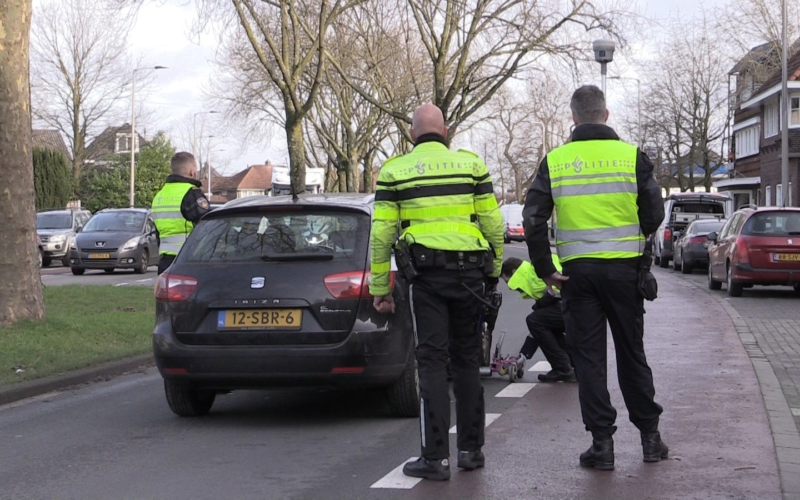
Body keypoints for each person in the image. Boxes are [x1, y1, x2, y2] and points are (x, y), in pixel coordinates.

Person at [522, 85, 667, 471]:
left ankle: (602, 445)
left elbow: (533, 218)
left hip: (577, 276)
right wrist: (634, 233)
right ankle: (650, 438)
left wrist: (544, 268)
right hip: (624, 271)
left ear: (573, 118)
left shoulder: (555, 161)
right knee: (631, 353)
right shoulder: (632, 157)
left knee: (588, 359)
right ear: (606, 114)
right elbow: (654, 212)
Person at [370, 103, 504, 481]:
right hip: (471, 275)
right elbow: (493, 223)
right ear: (445, 132)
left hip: (426, 277)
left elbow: (381, 234)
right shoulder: (472, 165)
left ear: (412, 135)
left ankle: (435, 459)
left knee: (431, 361)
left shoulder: (395, 171)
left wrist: (381, 288)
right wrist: (492, 273)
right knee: (466, 360)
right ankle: (472, 450)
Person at [500, 256, 575, 383]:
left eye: (508, 281)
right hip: (572, 305)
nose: (509, 287)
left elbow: (558, 288)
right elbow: (536, 333)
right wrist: (523, 355)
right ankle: (574, 366)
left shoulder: (536, 271)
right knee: (544, 324)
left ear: (514, 272)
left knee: (534, 320)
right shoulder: (533, 272)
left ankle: (562, 368)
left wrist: (541, 304)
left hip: (574, 305)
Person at [151, 152, 210, 274]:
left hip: (165, 262)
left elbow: (157, 232)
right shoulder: (191, 193)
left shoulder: (159, 195)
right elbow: (208, 226)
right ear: (191, 171)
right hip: (188, 260)